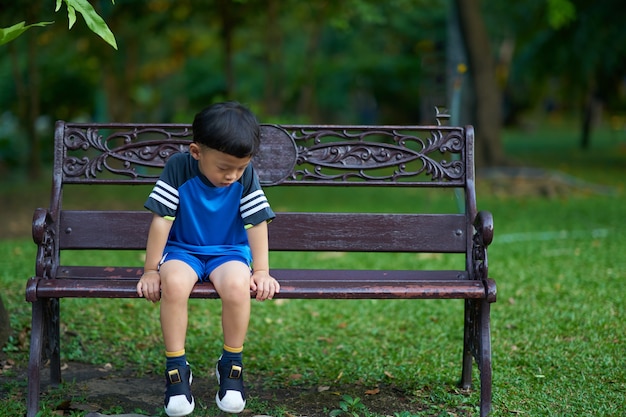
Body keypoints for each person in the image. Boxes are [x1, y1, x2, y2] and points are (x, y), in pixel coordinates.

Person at [136, 101, 280, 416]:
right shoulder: (178, 167)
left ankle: (231, 365)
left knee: (237, 286)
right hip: (183, 249)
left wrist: (263, 270)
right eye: (224, 167)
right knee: (172, 284)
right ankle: (176, 370)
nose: (232, 176)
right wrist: (150, 270)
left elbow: (256, 222)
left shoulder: (246, 176)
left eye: (240, 168)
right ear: (197, 152)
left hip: (228, 251)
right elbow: (161, 220)